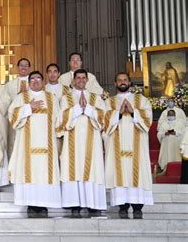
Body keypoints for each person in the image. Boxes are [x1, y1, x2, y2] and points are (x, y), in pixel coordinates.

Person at [8, 71, 61, 216]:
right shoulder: (21, 98)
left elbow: (59, 120)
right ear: (29, 82)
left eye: (38, 78)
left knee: (45, 173)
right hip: (26, 146)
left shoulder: (51, 98)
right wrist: (28, 108)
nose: (35, 81)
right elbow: (12, 116)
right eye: (32, 79)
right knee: (29, 173)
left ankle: (44, 204)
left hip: (47, 146)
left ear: (43, 82)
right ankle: (31, 204)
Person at [57, 69, 106, 216]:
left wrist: (89, 110)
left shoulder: (96, 98)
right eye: (78, 78)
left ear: (87, 80)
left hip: (93, 142)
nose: (81, 80)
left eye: (83, 78)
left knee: (93, 170)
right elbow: (61, 119)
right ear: (73, 80)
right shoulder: (66, 98)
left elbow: (104, 118)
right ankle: (74, 204)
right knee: (74, 168)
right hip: (73, 140)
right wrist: (78, 109)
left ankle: (93, 203)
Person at [104, 72, 153, 219]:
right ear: (115, 84)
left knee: (137, 174)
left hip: (137, 146)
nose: (122, 82)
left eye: (125, 80)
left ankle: (138, 207)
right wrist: (118, 113)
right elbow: (105, 121)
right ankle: (123, 207)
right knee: (120, 174)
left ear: (130, 82)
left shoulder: (141, 100)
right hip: (116, 146)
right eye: (119, 80)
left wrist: (133, 112)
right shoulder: (109, 102)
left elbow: (148, 119)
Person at [5, 58, 31, 157]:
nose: (23, 67)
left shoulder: (35, 82)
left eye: (26, 65)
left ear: (29, 68)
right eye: (21, 65)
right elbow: (6, 103)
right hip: (15, 122)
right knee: (14, 147)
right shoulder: (9, 85)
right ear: (17, 67)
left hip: (30, 120)